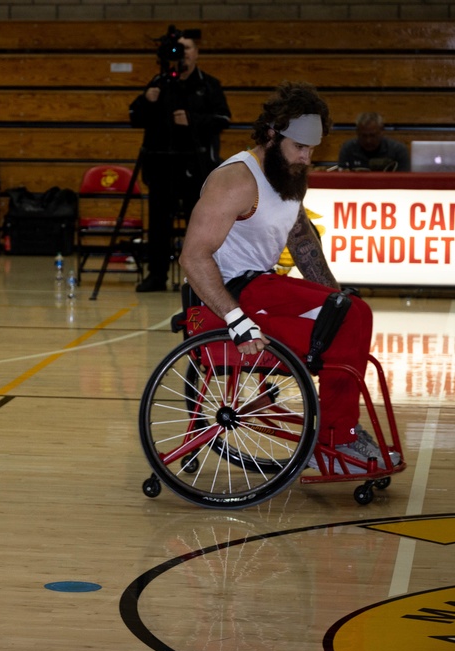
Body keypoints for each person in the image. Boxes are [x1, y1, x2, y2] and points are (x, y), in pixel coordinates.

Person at [180, 81, 398, 473]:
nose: (307, 158)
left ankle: (338, 431)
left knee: (354, 313)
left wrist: (335, 297)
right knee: (343, 324)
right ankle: (336, 437)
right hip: (223, 299)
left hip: (259, 286)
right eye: (300, 147)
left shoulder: (288, 173)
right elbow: (193, 257)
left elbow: (301, 239)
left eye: (312, 149)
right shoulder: (235, 181)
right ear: (270, 133)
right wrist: (237, 321)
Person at [129, 27, 231, 293]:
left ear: (196, 53)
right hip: (162, 166)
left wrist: (193, 121)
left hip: (196, 167)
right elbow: (134, 118)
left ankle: (199, 279)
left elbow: (224, 119)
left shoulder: (208, 85)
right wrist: (145, 100)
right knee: (159, 224)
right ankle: (156, 275)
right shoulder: (159, 83)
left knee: (197, 226)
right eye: (177, 48)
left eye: (186, 48)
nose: (181, 53)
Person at [337, 111, 410, 171]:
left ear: (382, 132)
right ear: (357, 133)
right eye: (364, 136)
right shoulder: (348, 149)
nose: (368, 141)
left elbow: (404, 180)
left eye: (373, 136)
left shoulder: (398, 151)